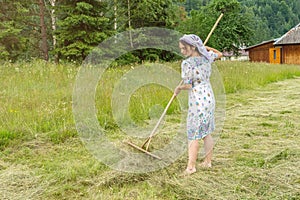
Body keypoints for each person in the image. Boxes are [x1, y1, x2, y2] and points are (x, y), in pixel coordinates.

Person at [174, 34, 222, 175]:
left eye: (184, 48)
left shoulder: (187, 63)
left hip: (197, 99)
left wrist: (179, 88)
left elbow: (188, 85)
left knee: (193, 133)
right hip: (209, 97)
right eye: (181, 49)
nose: (182, 51)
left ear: (193, 47)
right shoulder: (207, 58)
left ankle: (191, 167)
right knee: (206, 132)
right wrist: (205, 48)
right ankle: (208, 162)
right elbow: (219, 54)